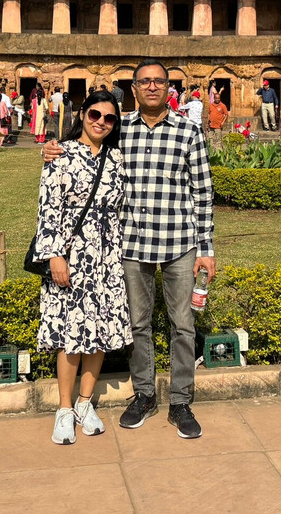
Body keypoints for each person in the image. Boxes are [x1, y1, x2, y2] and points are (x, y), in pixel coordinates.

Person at [42, 58, 214, 439]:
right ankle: (145, 395)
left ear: (169, 88)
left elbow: (202, 193)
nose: (152, 87)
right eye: (144, 81)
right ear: (133, 89)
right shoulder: (121, 132)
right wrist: (52, 150)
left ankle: (182, 401)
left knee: (182, 326)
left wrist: (207, 247)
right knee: (138, 325)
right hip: (132, 245)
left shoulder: (188, 131)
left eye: (159, 81)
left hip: (180, 243)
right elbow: (83, 150)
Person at [32, 91, 132, 444]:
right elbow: (48, 208)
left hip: (107, 255)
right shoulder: (60, 154)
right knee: (72, 333)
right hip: (72, 255)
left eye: (109, 118)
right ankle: (64, 408)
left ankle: (86, 403)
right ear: (82, 115)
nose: (101, 122)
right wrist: (55, 255)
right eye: (94, 115)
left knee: (100, 332)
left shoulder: (118, 158)